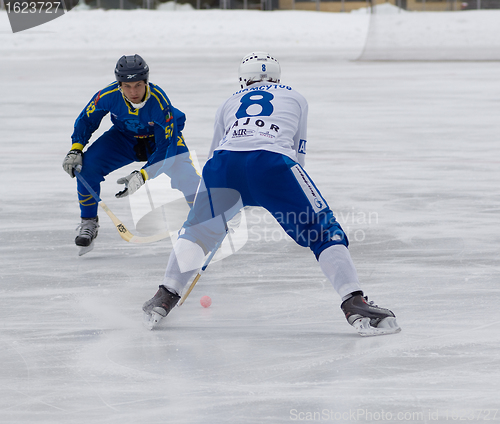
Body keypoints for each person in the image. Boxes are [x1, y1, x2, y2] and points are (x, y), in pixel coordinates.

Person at [142, 52, 401, 336]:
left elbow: (215, 152)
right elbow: (297, 151)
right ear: (277, 78)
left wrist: (220, 213)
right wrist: (274, 191)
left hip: (224, 167)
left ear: (243, 80)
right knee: (322, 231)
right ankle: (354, 302)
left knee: (197, 232)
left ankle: (165, 294)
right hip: (273, 163)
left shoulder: (229, 101)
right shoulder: (296, 97)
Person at [62, 54, 201, 255]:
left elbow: (166, 150)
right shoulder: (107, 95)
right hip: (124, 137)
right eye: (127, 86)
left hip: (160, 141)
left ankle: (207, 223)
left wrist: (143, 175)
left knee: (187, 176)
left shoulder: (160, 103)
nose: (133, 92)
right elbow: (86, 120)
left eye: (138, 85)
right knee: (86, 168)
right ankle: (88, 222)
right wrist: (76, 147)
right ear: (119, 85)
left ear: (146, 82)